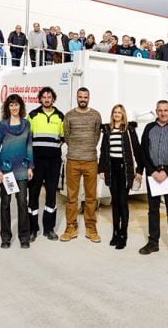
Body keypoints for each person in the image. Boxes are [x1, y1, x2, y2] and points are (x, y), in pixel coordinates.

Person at [139, 100, 168, 262]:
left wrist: (166, 172)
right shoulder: (148, 129)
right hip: (152, 175)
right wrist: (152, 171)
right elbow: (142, 152)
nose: (163, 113)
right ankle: (153, 243)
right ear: (156, 111)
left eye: (166, 110)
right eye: (160, 110)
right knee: (153, 210)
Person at [98, 104, 143, 250]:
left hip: (125, 171)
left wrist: (139, 170)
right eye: (115, 112)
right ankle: (115, 233)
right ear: (112, 114)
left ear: (123, 115)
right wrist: (101, 169)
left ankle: (124, 234)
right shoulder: (108, 130)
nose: (117, 114)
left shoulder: (129, 130)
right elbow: (104, 151)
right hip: (112, 170)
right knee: (115, 202)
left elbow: (137, 149)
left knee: (123, 202)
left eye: (119, 112)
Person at [61, 87, 102, 243]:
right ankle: (71, 226)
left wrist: (87, 148)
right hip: (73, 160)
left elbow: (96, 136)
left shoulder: (96, 115)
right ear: (77, 98)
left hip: (91, 160)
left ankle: (91, 227)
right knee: (72, 197)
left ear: (89, 98)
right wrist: (77, 149)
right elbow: (67, 136)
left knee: (91, 197)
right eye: (80, 97)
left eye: (85, 97)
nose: (83, 99)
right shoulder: (69, 116)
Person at [0, 94, 34, 248]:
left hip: (22, 169)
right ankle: (5, 237)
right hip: (6, 170)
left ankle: (24, 237)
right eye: (11, 105)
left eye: (16, 104)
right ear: (7, 107)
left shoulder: (26, 124)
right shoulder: (2, 126)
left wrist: (30, 166)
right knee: (5, 203)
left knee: (22, 202)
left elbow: (29, 146)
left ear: (20, 106)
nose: (14, 107)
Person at [27, 87, 64, 241]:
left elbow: (63, 138)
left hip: (54, 162)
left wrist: (52, 150)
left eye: (49, 97)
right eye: (44, 97)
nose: (47, 99)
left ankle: (49, 229)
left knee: (51, 195)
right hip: (36, 162)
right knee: (33, 195)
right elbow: (27, 139)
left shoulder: (60, 116)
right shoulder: (33, 115)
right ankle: (32, 229)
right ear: (40, 99)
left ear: (53, 99)